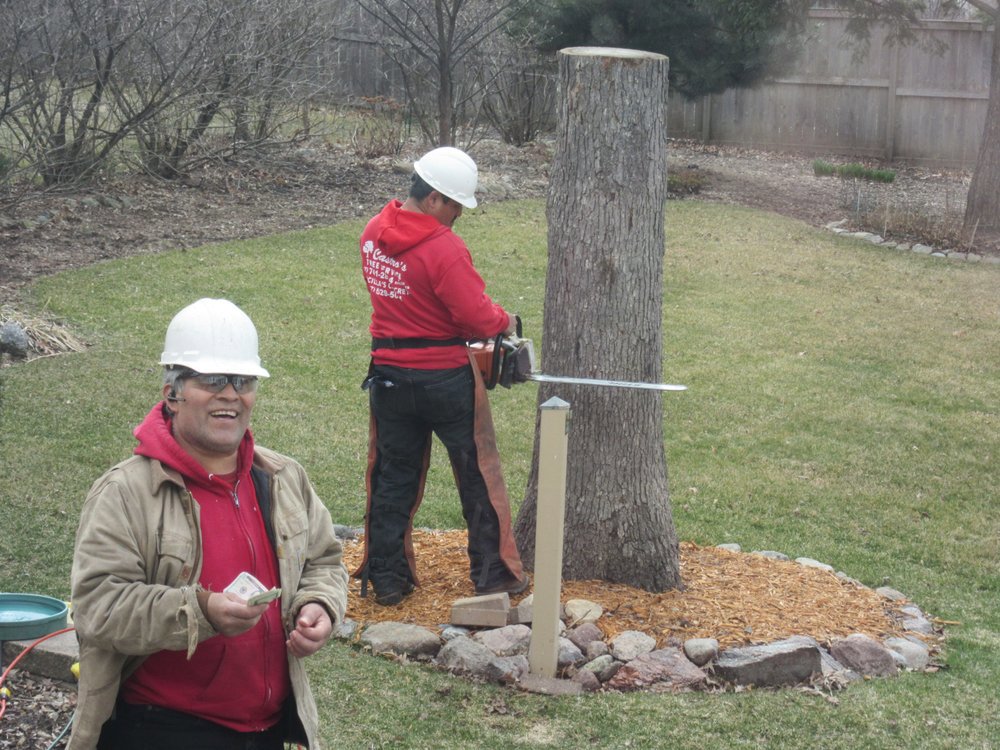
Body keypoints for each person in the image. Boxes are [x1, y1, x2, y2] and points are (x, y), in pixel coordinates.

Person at [69, 298, 349, 750]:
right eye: (213, 380)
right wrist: (200, 613)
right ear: (171, 395)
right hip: (162, 730)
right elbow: (98, 608)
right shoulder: (124, 492)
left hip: (268, 730)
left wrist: (320, 604)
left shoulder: (283, 477)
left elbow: (325, 560)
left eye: (243, 381)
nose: (230, 394)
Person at [356, 146, 529, 606]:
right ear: (433, 198)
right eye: (455, 205)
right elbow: (474, 316)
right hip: (445, 380)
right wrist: (503, 320)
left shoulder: (373, 233)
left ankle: (387, 578)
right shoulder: (443, 248)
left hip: (388, 376)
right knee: (477, 474)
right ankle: (494, 576)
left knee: (393, 476)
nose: (457, 216)